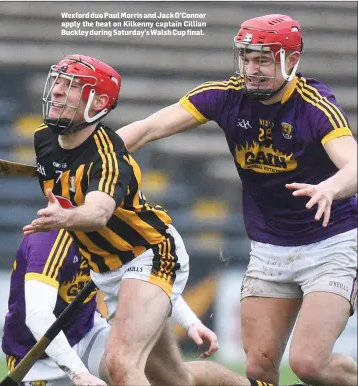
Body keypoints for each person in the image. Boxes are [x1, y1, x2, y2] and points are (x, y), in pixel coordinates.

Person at [116, 14, 357, 386]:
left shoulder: (313, 105)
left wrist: (331, 187)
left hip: (331, 242)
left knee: (310, 364)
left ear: (290, 61)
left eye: (263, 59)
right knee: (259, 369)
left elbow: (354, 165)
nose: (251, 68)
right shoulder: (225, 95)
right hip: (269, 247)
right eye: (246, 57)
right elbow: (148, 128)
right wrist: (94, 156)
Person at [22, 54, 274, 386]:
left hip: (150, 254)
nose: (55, 92)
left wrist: (66, 218)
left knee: (120, 364)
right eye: (56, 83)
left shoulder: (110, 160)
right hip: (108, 271)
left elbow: (98, 213)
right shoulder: (44, 141)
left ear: (96, 102)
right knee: (175, 380)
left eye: (70, 88)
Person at [3, 229, 283, 386]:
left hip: (87, 334)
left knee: (173, 379)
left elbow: (148, 282)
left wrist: (190, 321)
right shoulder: (46, 241)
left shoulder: (108, 230)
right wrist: (79, 374)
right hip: (37, 356)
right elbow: (38, 316)